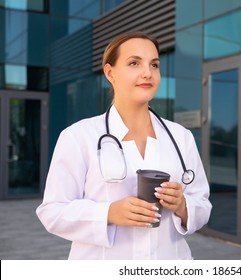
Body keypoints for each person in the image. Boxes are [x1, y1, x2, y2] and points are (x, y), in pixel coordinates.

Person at [36, 31, 212, 260]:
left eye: (155, 64)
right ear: (110, 73)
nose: (147, 73)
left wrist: (182, 205)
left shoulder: (181, 137)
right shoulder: (79, 136)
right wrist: (109, 213)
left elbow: (202, 205)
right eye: (134, 63)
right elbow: (52, 212)